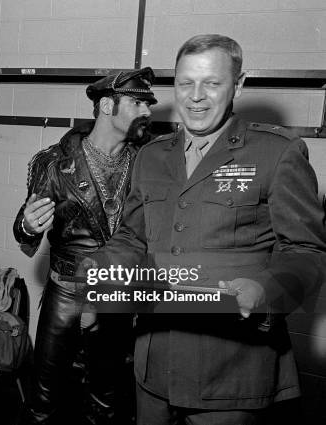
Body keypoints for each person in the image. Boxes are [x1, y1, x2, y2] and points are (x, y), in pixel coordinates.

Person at [96, 34, 326, 425]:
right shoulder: (151, 155)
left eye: (212, 83)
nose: (195, 96)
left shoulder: (276, 153)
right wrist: (102, 268)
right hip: (154, 364)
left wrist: (266, 290)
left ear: (238, 84)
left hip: (232, 372)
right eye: (185, 83)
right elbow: (133, 236)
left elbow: (306, 251)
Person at [13, 68, 157, 425]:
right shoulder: (54, 163)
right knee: (45, 401)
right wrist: (28, 225)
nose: (148, 111)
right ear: (107, 105)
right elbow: (25, 236)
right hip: (66, 296)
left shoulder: (148, 163)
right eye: (138, 102)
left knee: (107, 402)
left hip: (117, 298)